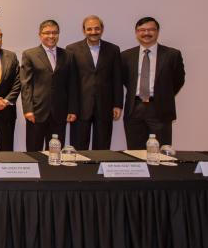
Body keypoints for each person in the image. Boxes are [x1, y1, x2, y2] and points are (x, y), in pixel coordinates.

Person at [121, 17, 185, 149]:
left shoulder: (172, 55)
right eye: (142, 30)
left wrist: (163, 95)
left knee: (161, 152)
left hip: (160, 109)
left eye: (151, 29)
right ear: (136, 32)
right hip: (134, 108)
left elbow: (178, 80)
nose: (146, 33)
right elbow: (126, 80)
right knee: (135, 152)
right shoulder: (126, 56)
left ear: (157, 32)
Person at [20, 20, 78, 151]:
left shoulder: (68, 55)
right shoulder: (30, 54)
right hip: (36, 112)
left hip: (60, 112)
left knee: (55, 152)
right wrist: (28, 109)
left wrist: (72, 109)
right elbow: (26, 84)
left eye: (54, 33)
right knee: (33, 151)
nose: (51, 36)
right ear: (40, 35)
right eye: (47, 33)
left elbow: (72, 85)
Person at [66, 15, 122, 150]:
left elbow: (117, 78)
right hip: (80, 108)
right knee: (79, 148)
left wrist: (118, 104)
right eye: (89, 29)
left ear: (102, 29)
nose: (93, 32)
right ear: (84, 30)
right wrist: (71, 108)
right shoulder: (72, 49)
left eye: (97, 28)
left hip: (105, 106)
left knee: (102, 148)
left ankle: (99, 165)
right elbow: (70, 81)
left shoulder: (113, 49)